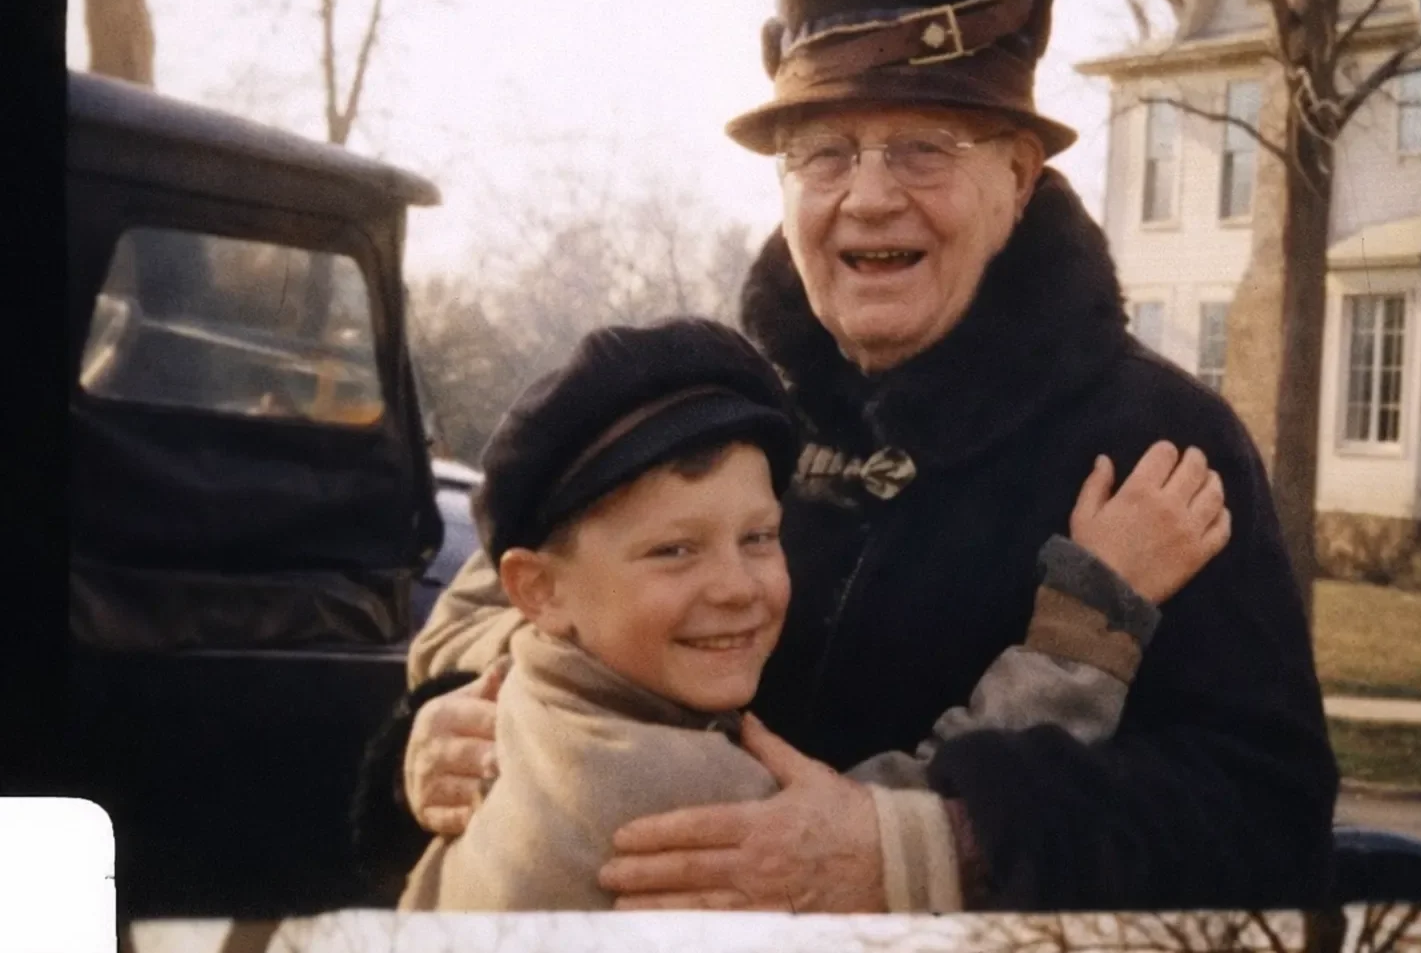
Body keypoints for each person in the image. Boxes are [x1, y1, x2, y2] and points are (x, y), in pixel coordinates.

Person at [370, 0, 1338, 911]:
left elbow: (1262, 821)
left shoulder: (1155, 446)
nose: (869, 195)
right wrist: (446, 728)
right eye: (823, 152)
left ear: (1017, 177)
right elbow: (509, 584)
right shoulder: (707, 405)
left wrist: (933, 844)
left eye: (923, 146)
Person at [397, 316, 1227, 910]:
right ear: (540, 590)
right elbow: (905, 808)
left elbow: (491, 581)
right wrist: (1094, 609)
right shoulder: (675, 793)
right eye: (674, 551)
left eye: (761, 535)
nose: (736, 585)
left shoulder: (518, 695)